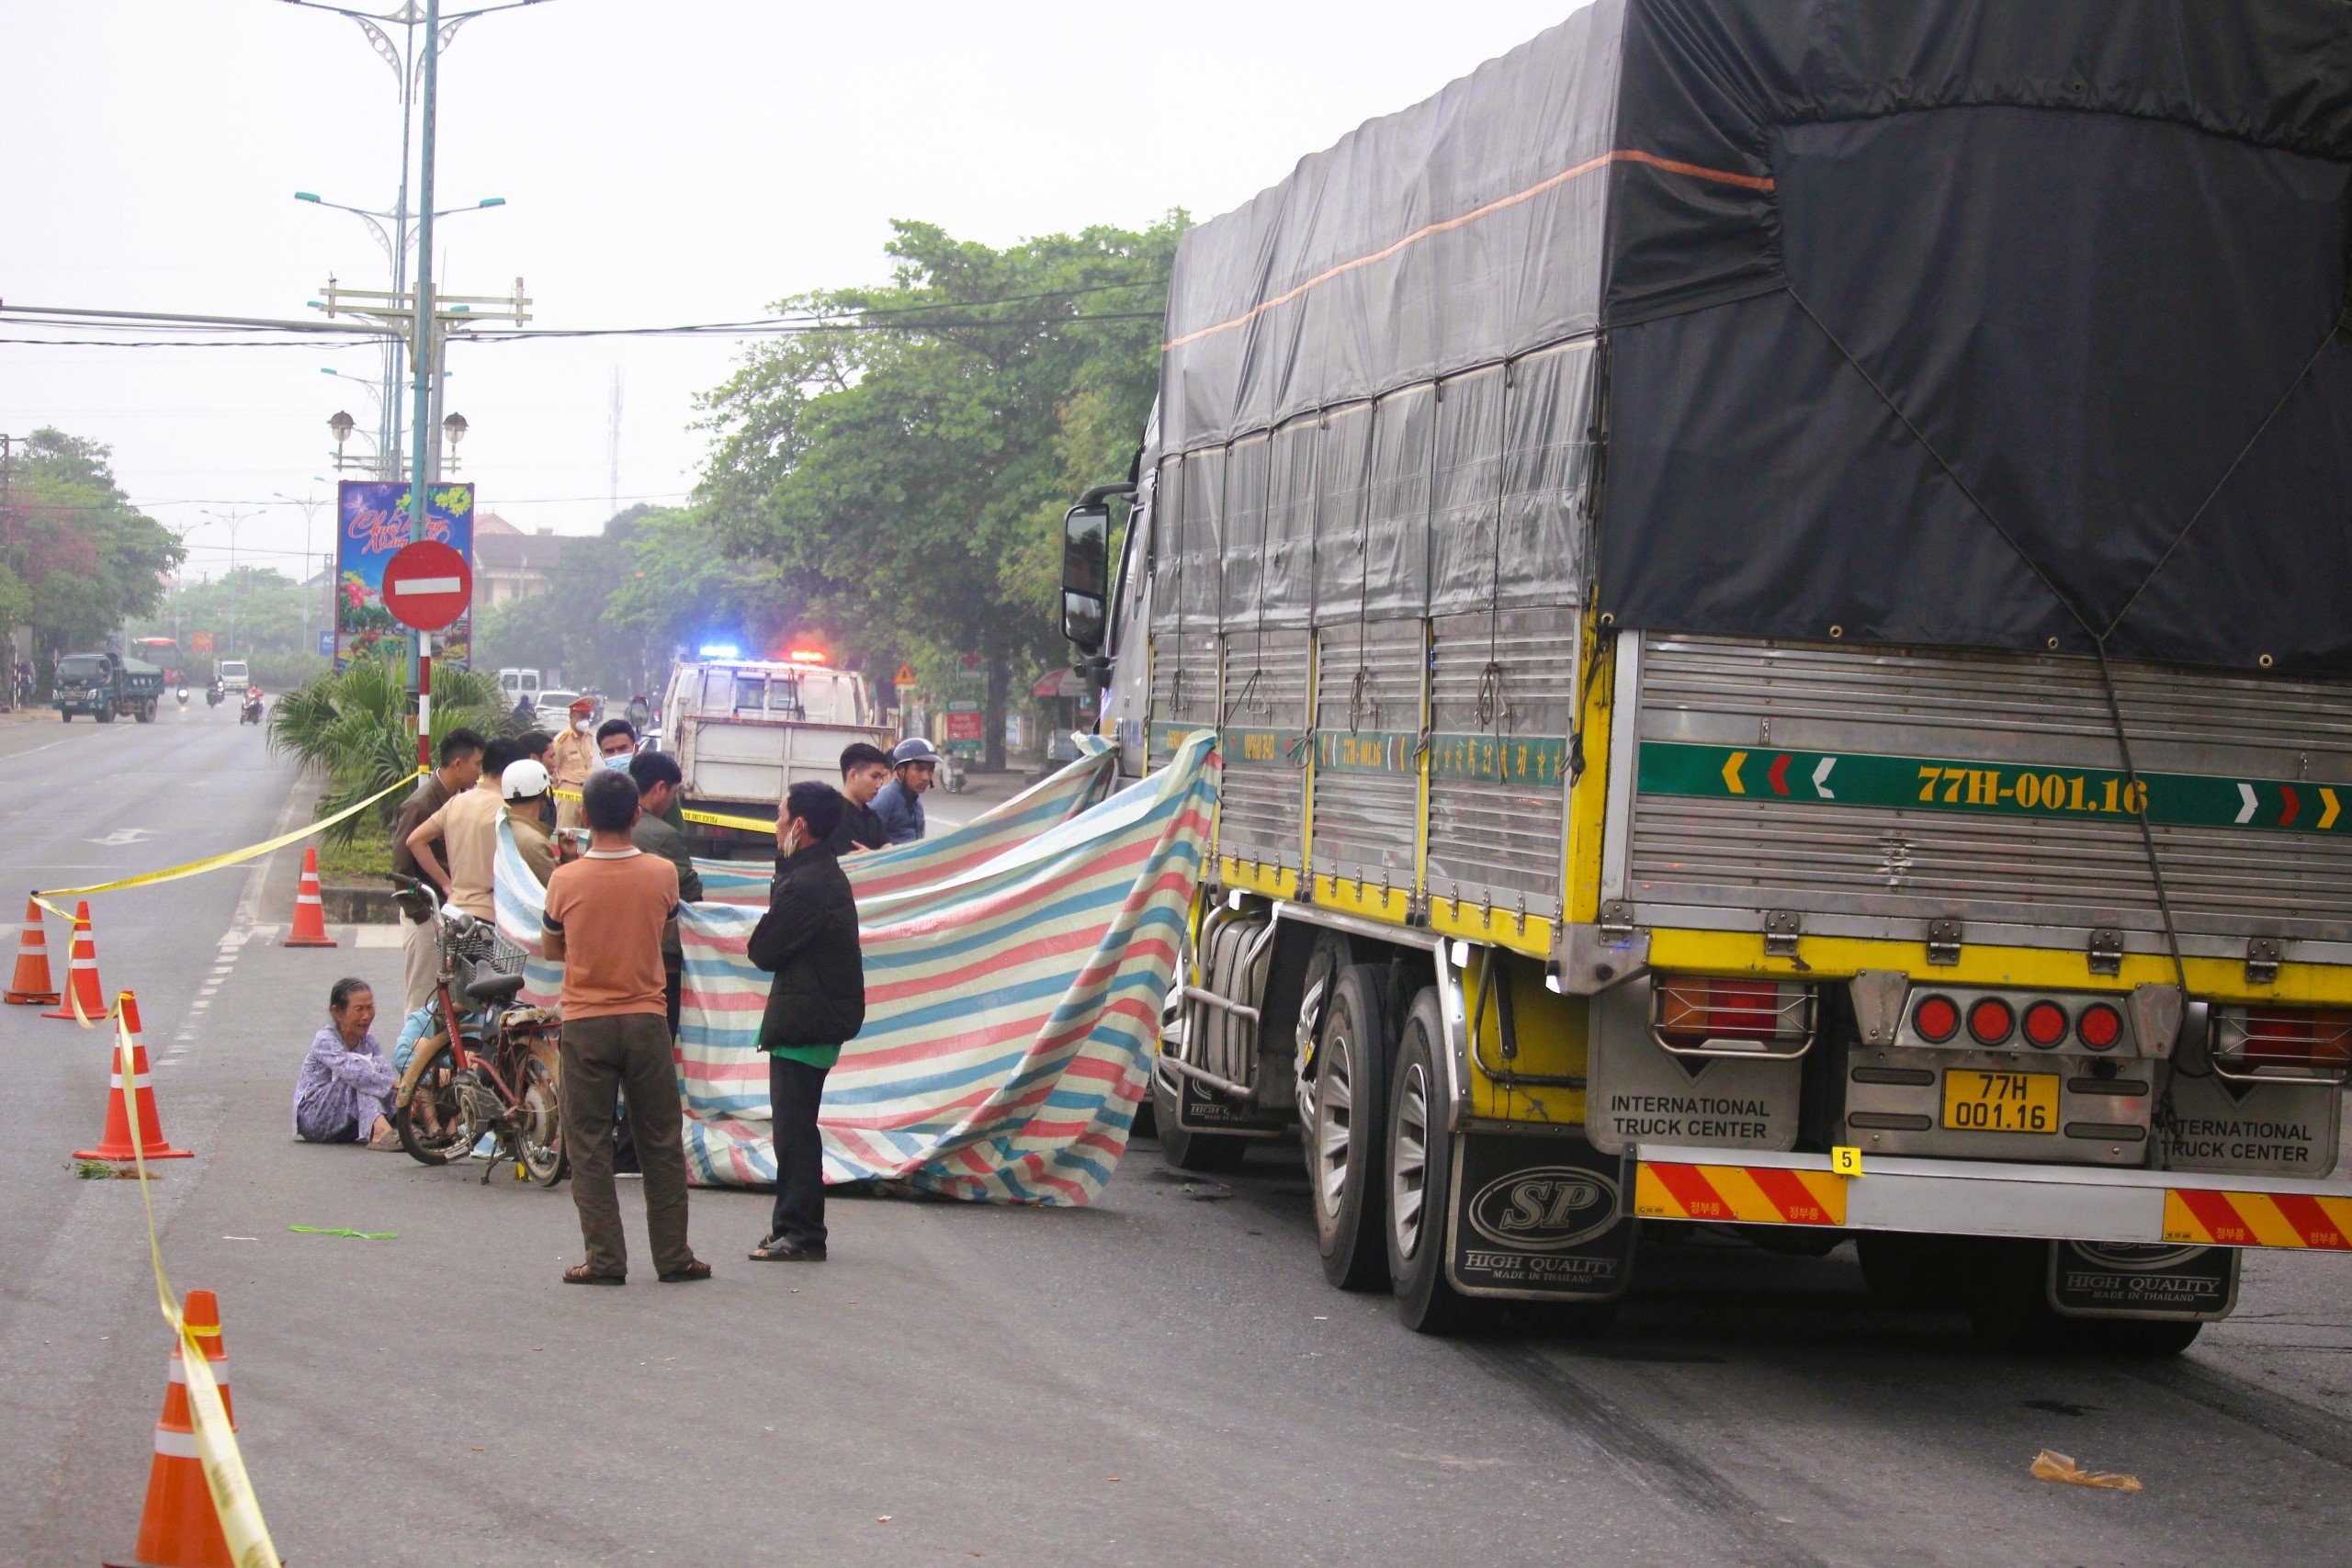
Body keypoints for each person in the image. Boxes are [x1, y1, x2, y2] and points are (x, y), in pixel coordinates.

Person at [541, 768, 707, 1285]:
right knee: (660, 1138)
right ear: (637, 815)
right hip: (647, 1019)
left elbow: (552, 948)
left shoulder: (564, 880)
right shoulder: (661, 874)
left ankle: (606, 1258)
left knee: (588, 1140)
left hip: (587, 1022)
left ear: (585, 816)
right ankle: (674, 1256)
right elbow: (663, 928)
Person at [747, 781, 865, 1263]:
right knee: (794, 1127)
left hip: (809, 1017)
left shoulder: (808, 886)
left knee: (794, 1130)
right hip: (814, 1010)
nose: (775, 829)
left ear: (799, 826)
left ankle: (801, 1233)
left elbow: (763, 949)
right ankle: (791, 1226)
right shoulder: (815, 873)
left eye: (780, 819)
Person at [390, 728, 485, 1013]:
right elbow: (401, 866)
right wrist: (422, 916)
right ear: (458, 764)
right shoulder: (420, 805)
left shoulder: (462, 798)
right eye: (477, 764)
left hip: (450, 914)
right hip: (427, 915)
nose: (480, 773)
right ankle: (413, 1057)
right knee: (422, 1000)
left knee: (447, 1000)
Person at [627, 750, 704, 1030]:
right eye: (672, 793)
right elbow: (690, 892)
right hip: (658, 959)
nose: (672, 801)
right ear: (660, 788)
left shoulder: (606, 828)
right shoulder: (664, 835)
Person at [408, 735, 523, 919]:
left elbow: (415, 841)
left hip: (454, 913)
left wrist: (446, 883)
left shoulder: (456, 802)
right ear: (514, 771)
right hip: (490, 917)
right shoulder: (507, 811)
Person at [293, 979, 401, 1149]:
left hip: (348, 1122)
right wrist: (394, 1084)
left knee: (378, 1075)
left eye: (370, 1008)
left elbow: (386, 1073)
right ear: (337, 1013)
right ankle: (380, 1131)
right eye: (359, 1010)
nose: (366, 1016)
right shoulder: (325, 1040)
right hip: (316, 1118)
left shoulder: (369, 1042)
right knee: (360, 1077)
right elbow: (355, 1074)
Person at [872, 737, 943, 845]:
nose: (926, 777)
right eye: (920, 769)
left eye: (930, 770)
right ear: (901, 771)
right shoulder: (885, 800)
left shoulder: (916, 805)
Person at [502, 757, 559, 887]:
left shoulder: (504, 824)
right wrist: (570, 859)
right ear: (544, 792)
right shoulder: (534, 841)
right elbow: (558, 890)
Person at [831, 742, 892, 854]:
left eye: (881, 778)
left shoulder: (872, 817)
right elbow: (850, 861)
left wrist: (870, 855)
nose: (879, 784)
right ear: (853, 775)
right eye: (874, 777)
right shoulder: (833, 818)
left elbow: (889, 851)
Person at [548, 697, 599, 830]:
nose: (585, 720)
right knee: (566, 831)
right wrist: (557, 789)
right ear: (572, 716)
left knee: (586, 832)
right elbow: (553, 768)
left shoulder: (588, 737)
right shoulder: (561, 740)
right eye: (582, 716)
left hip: (587, 790)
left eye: (587, 717)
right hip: (568, 791)